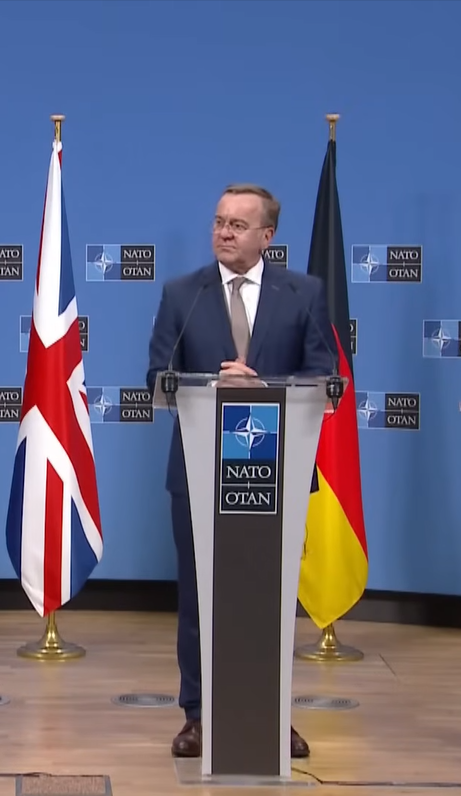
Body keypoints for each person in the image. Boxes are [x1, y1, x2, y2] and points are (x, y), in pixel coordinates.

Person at [145, 183, 336, 760]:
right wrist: (208, 388)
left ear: (266, 236)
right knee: (200, 596)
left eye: (237, 224)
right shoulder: (184, 294)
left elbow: (326, 380)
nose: (224, 232)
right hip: (199, 473)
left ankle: (272, 712)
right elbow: (158, 379)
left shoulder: (304, 293)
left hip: (273, 474)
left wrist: (264, 390)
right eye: (219, 222)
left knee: (269, 597)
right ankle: (198, 714)